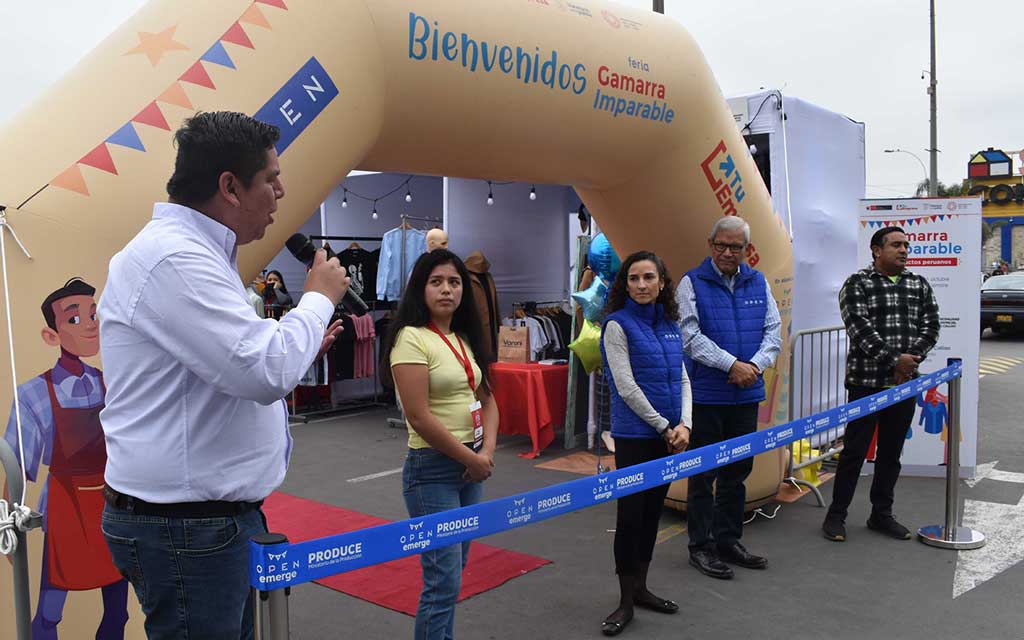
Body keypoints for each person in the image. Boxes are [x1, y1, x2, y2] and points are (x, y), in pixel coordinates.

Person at [98, 111, 349, 639]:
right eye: (272, 178)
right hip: (187, 526)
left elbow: (234, 366)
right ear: (230, 187)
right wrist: (318, 299)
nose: (282, 192)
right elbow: (262, 369)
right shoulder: (174, 259)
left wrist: (297, 342)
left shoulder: (195, 257)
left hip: (202, 521)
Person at [380, 248, 499, 640]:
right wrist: (472, 458)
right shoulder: (410, 339)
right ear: (421, 288)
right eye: (436, 282)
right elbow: (419, 417)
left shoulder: (463, 338)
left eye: (454, 282)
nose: (446, 290)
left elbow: (488, 399)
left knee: (453, 574)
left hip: (471, 469)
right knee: (442, 581)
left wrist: (486, 454)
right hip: (433, 471)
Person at [3, 278, 128, 640]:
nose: (90, 324)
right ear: (51, 335)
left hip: (113, 503)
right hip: (66, 510)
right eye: (74, 319)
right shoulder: (32, 395)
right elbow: (15, 466)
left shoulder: (112, 383)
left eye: (94, 314)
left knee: (118, 610)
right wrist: (10, 527)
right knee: (49, 613)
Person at [676, 215, 781, 579]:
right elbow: (689, 336)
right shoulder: (691, 283)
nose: (727, 252)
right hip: (707, 395)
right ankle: (700, 546)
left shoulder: (759, 282)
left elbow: (774, 333)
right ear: (710, 244)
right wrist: (731, 365)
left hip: (745, 395)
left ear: (746, 250)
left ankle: (728, 540)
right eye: (721, 245)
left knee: (738, 473)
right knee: (704, 475)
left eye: (735, 247)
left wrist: (752, 366)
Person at [822, 226, 939, 542]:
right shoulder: (857, 284)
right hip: (865, 385)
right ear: (876, 250)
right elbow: (859, 330)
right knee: (854, 453)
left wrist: (910, 360)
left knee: (891, 453)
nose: (903, 250)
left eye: (906, 246)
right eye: (896, 245)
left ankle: (881, 515)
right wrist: (895, 361)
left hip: (904, 386)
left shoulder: (919, 285)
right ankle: (836, 516)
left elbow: (931, 327)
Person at [598, 251, 691, 637]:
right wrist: (665, 426)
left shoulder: (670, 324)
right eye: (633, 278)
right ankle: (624, 600)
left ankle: (641, 588)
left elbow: (684, 378)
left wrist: (685, 423)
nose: (641, 285)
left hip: (669, 434)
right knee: (630, 517)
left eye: (648, 277)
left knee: (653, 513)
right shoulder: (616, 326)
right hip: (636, 437)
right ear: (625, 284)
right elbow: (626, 386)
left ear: (662, 282)